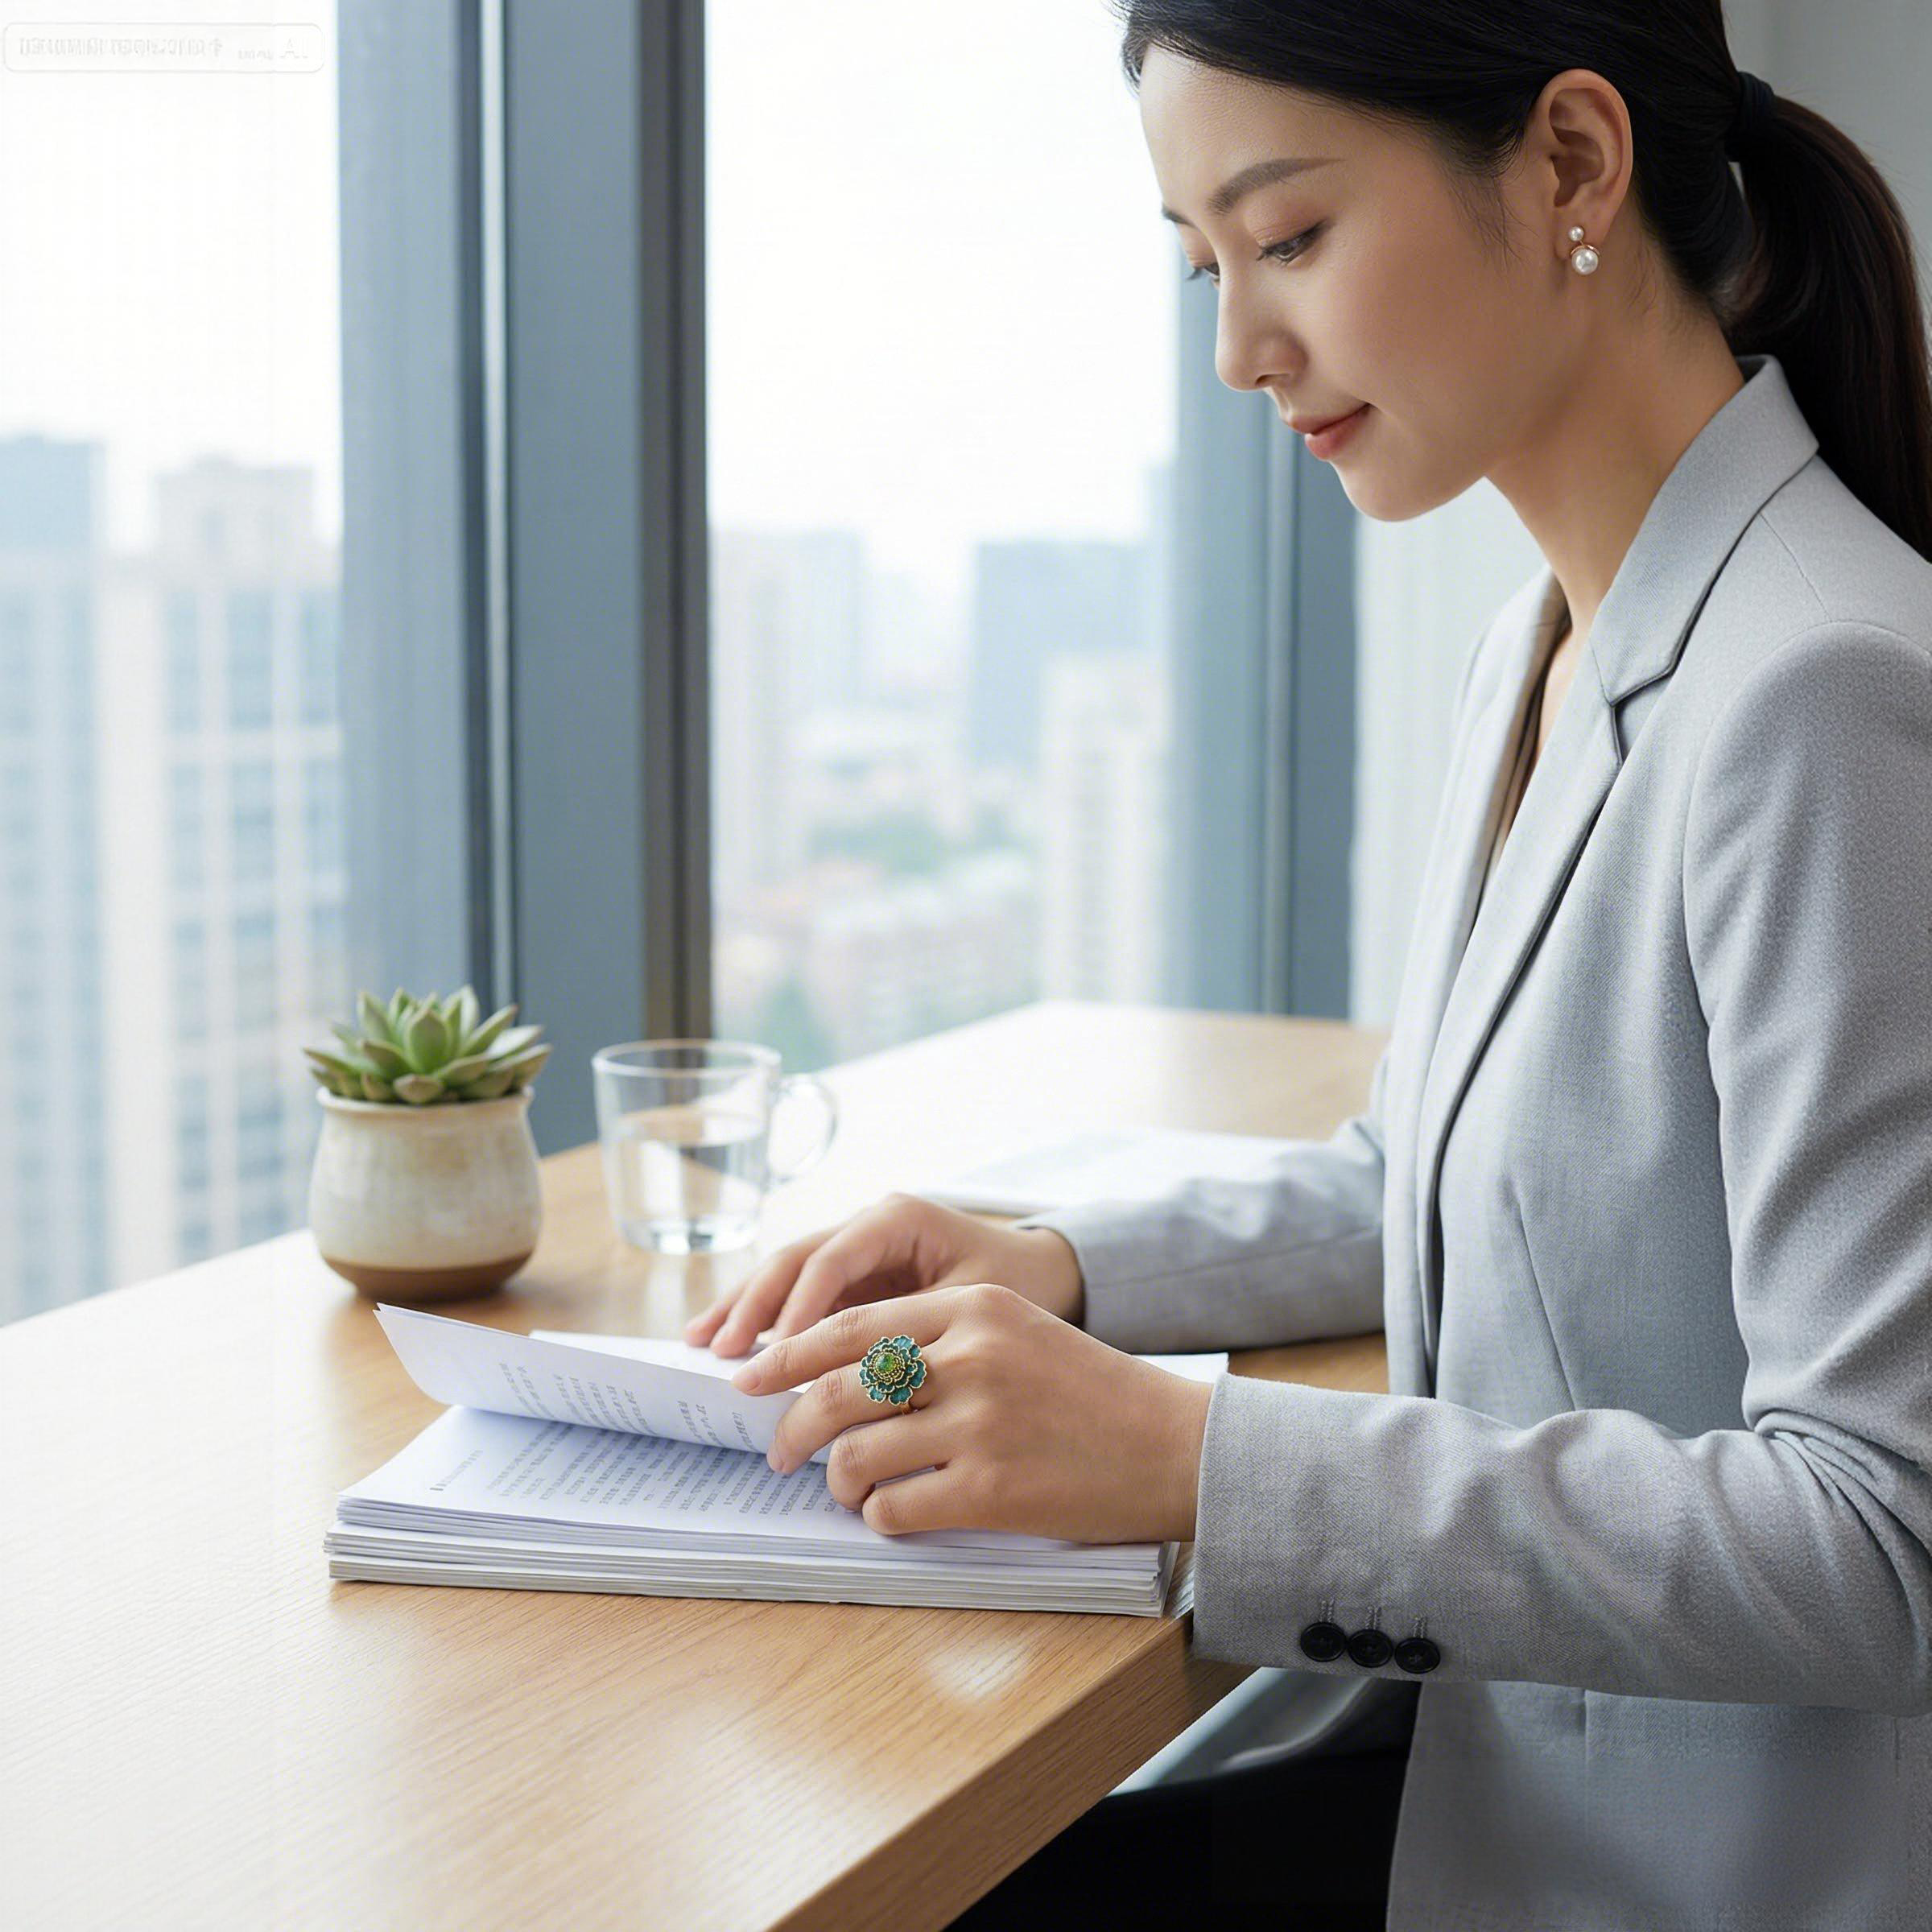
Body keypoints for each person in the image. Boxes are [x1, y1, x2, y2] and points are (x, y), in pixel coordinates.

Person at [691, 3, 1932, 1925]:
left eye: (1288, 238)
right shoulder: (1542, 643)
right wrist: (1057, 1264)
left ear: (1574, 163)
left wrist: (1197, 1457)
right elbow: (1446, 1173)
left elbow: (1878, 1543)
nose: (1239, 350)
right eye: (1207, 265)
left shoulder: (1823, 691)